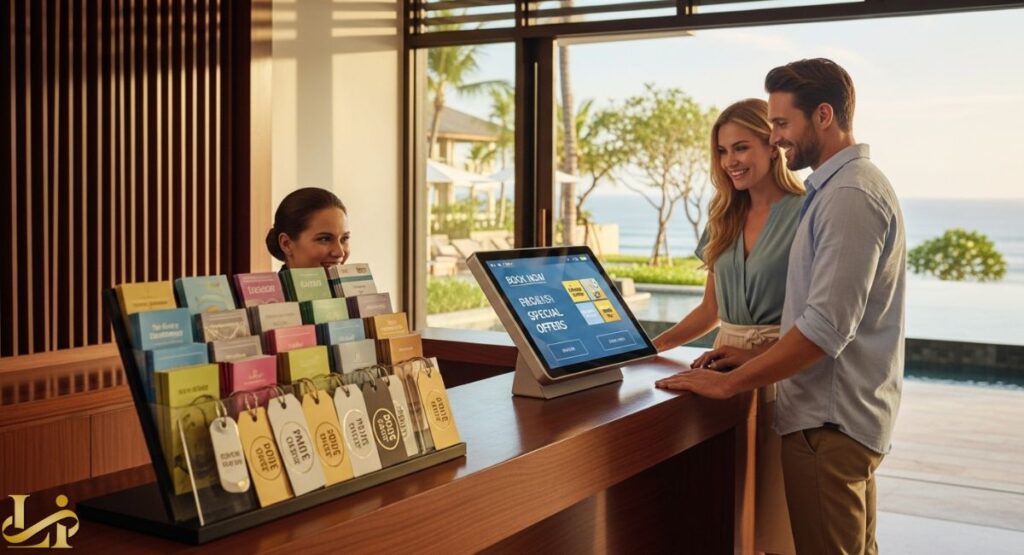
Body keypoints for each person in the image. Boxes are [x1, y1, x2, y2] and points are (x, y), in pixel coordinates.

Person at [656, 58, 906, 555]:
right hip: (815, 406)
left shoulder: (848, 195)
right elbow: (811, 317)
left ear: (824, 116)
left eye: (780, 124)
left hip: (825, 416)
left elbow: (825, 328)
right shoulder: (833, 191)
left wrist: (730, 381)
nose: (776, 138)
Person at [652, 98, 804, 555]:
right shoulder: (723, 216)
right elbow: (709, 312)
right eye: (722, 151)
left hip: (781, 367)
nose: (730, 161)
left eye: (741, 148)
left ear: (771, 144)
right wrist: (647, 345)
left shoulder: (806, 213)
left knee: (776, 512)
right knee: (728, 504)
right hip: (722, 366)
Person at [265, 187, 351, 269]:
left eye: (344, 239)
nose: (340, 253)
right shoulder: (267, 285)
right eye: (324, 239)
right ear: (286, 244)